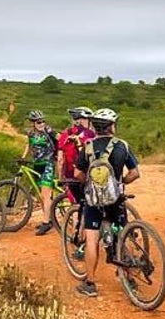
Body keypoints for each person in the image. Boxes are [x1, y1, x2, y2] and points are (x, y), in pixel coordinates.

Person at [73, 108, 140, 297]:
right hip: (116, 199)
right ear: (111, 127)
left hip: (93, 201)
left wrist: (89, 181)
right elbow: (135, 173)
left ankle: (90, 283)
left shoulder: (87, 146)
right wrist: (121, 182)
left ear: (95, 127)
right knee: (122, 235)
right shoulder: (122, 146)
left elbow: (78, 174)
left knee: (92, 240)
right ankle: (129, 277)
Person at [21, 110, 57, 236]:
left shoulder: (49, 131)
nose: (42, 123)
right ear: (33, 123)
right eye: (38, 122)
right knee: (40, 195)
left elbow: (59, 141)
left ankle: (46, 223)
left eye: (43, 121)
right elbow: (29, 145)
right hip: (37, 165)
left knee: (45, 194)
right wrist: (23, 157)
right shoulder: (30, 133)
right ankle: (49, 218)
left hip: (48, 164)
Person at [57, 107, 96, 203]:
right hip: (85, 174)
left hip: (70, 175)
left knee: (76, 202)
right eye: (88, 119)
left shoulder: (64, 135)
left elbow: (60, 160)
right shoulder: (90, 134)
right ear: (82, 119)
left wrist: (60, 178)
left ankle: (76, 216)